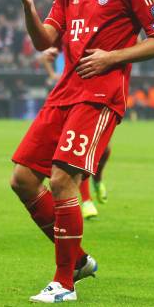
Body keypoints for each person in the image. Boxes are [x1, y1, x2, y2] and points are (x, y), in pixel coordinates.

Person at [11, 0, 154, 303]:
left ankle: (64, 282)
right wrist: (28, 6)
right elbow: (43, 42)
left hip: (99, 97)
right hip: (64, 93)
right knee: (22, 180)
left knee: (63, 180)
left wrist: (112, 58)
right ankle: (78, 259)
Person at [42, 46, 110, 219]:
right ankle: (86, 201)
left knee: (104, 150)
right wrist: (52, 74)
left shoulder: (92, 41)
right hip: (67, 97)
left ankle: (98, 179)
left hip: (91, 94)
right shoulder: (67, 36)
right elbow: (45, 54)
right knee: (77, 153)